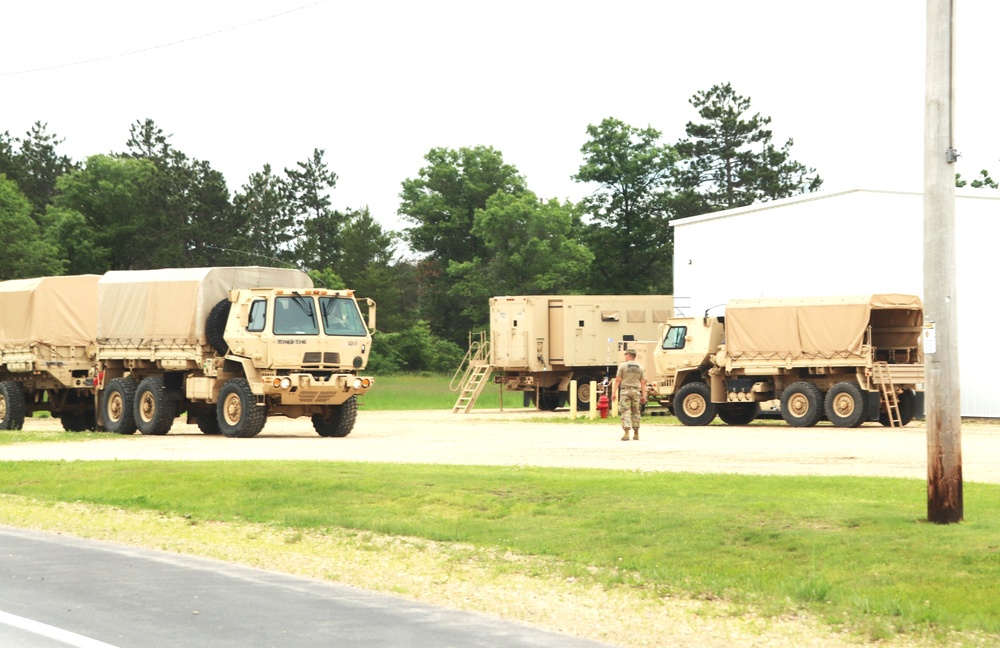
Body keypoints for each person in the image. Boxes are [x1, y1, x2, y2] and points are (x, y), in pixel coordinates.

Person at [613, 348, 646, 440]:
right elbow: (643, 382)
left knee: (625, 411)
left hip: (625, 391)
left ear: (629, 355)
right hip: (636, 391)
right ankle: (636, 433)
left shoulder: (622, 366)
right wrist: (644, 395)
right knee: (636, 412)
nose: (625, 356)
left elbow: (617, 380)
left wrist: (613, 393)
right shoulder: (640, 367)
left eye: (626, 354)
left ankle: (626, 433)